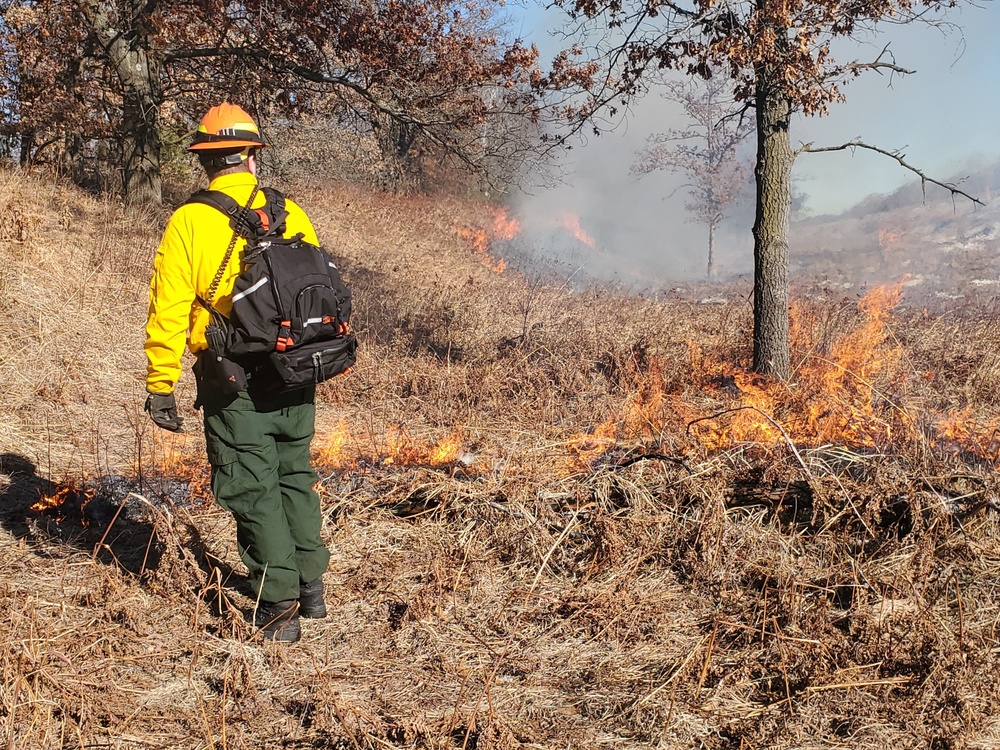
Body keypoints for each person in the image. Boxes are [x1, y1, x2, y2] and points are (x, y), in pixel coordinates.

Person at [143, 103, 330, 643]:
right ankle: (311, 588)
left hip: (232, 376)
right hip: (296, 366)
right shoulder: (290, 210)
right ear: (251, 155)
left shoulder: (189, 221)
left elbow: (169, 309)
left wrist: (160, 383)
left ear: (205, 160)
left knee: (251, 484)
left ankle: (277, 608)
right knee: (294, 472)